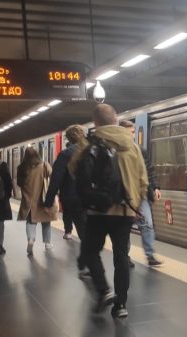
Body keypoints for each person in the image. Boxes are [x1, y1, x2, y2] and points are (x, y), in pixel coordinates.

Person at [77, 104, 149, 319]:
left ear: (95, 123)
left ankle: (103, 290)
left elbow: (76, 174)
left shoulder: (88, 145)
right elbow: (143, 180)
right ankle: (121, 305)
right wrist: (137, 204)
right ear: (116, 120)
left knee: (90, 251)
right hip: (125, 211)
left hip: (97, 211)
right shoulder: (133, 146)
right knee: (121, 256)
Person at [44, 125, 89, 276]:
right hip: (94, 198)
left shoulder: (65, 154)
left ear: (68, 138)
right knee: (90, 232)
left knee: (84, 232)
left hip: (73, 198)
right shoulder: (94, 150)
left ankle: (89, 265)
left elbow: (56, 180)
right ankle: (88, 263)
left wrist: (49, 201)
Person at [120, 119, 163, 267]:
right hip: (124, 196)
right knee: (124, 228)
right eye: (129, 132)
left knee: (147, 224)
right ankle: (125, 256)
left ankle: (150, 255)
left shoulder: (140, 150)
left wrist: (155, 187)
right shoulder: (116, 151)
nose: (132, 135)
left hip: (141, 194)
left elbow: (149, 170)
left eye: (133, 132)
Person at [15, 146, 55, 257]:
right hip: (43, 199)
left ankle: (31, 239)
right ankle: (47, 243)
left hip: (29, 200)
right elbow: (52, 176)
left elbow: (19, 183)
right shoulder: (44, 165)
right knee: (46, 221)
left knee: (30, 222)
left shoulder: (21, 168)